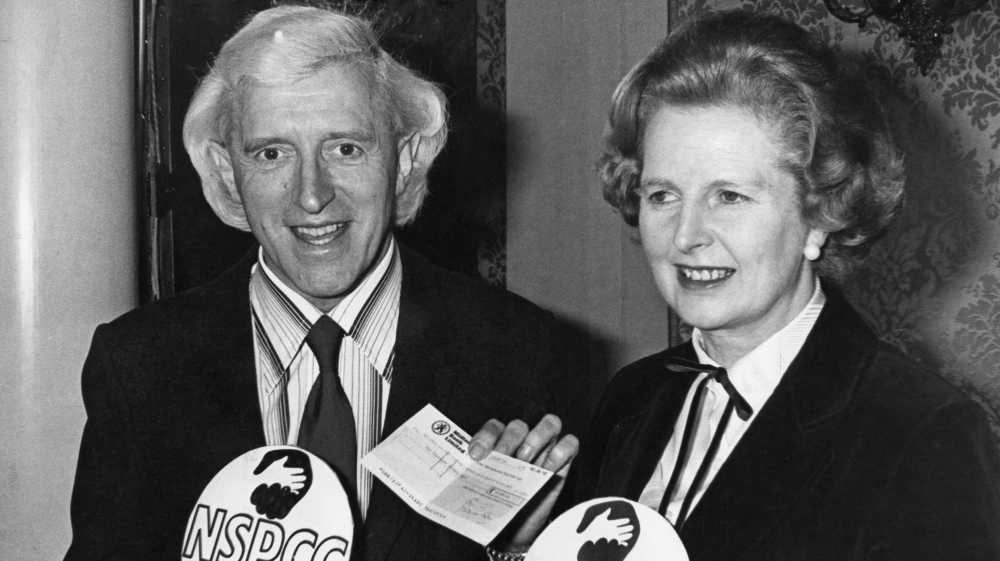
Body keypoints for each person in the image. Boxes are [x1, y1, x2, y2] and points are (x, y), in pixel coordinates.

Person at [64, 6, 576, 561]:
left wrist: (515, 552)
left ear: (404, 161)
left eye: (346, 148)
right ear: (226, 173)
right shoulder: (141, 365)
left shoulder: (516, 349)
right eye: (271, 153)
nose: (312, 194)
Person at [572, 10, 1000, 560]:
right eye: (662, 195)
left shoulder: (920, 433)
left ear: (820, 214)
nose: (686, 236)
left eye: (729, 196)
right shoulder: (635, 395)